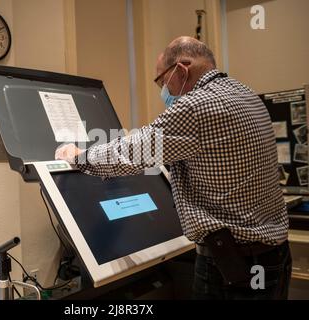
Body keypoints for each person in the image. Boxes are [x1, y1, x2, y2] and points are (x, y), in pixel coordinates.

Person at [55, 36, 291, 300]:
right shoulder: (245, 93)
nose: (162, 90)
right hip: (273, 255)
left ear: (180, 70)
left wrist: (79, 156)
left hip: (232, 265)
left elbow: (132, 152)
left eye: (160, 81)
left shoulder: (195, 106)